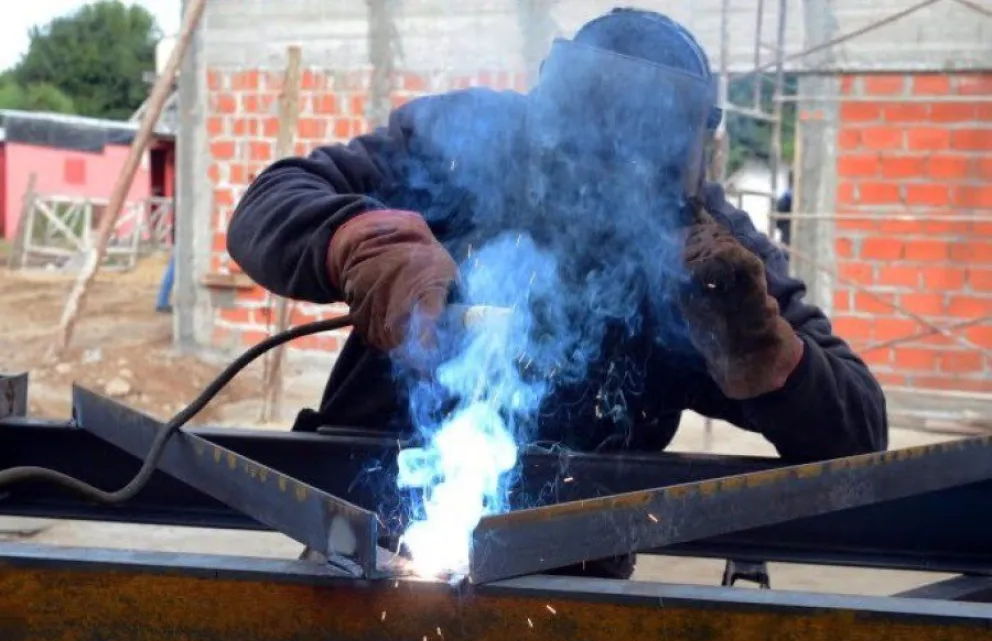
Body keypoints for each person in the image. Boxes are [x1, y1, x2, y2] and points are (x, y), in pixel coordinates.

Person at [227, 8, 887, 574]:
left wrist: (760, 349)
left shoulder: (710, 257)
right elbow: (270, 202)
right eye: (578, 154)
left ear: (683, 160)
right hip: (365, 535)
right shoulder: (465, 143)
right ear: (544, 112)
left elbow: (859, 432)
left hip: (566, 576)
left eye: (625, 168)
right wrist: (365, 245)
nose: (592, 186)